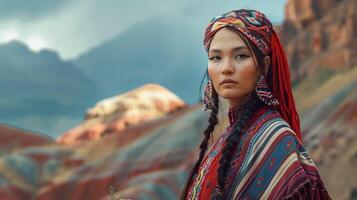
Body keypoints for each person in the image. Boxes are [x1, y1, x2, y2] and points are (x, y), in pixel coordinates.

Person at [180, 9, 332, 200]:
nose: (226, 68)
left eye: (240, 56)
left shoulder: (275, 138)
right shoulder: (227, 138)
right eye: (216, 58)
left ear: (264, 65)